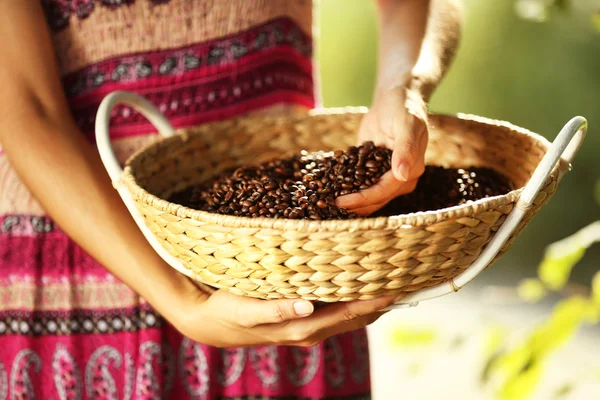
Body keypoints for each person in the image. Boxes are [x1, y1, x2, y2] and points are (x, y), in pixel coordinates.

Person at [0, 0, 461, 398]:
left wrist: (402, 85)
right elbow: (28, 109)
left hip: (284, 259)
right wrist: (182, 301)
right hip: (84, 261)